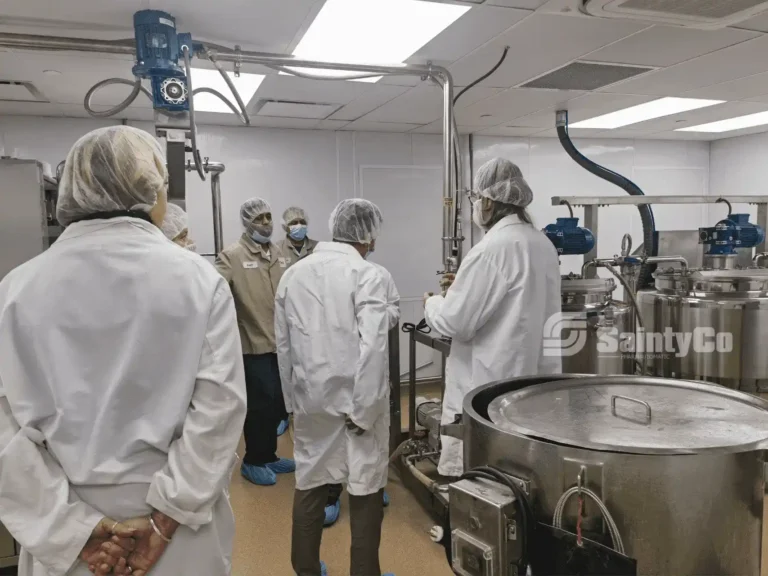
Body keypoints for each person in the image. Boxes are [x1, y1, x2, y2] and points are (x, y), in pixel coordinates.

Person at [0, 125, 247, 576]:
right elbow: (220, 409)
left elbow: (4, 432)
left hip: (67, 531)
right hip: (177, 530)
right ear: (150, 189)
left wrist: (73, 530)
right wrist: (164, 518)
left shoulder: (16, 290)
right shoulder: (197, 280)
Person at [275, 199, 395, 576]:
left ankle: (306, 568)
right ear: (370, 235)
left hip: (311, 400)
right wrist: (366, 409)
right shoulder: (369, 275)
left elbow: (284, 347)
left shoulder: (294, 274)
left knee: (311, 480)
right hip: (357, 403)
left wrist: (292, 405)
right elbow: (373, 347)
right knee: (365, 487)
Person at [424, 157, 562, 478]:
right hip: (533, 383)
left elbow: (454, 322)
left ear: (488, 200)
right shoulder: (541, 243)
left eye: (475, 199)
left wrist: (432, 303)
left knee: (484, 473)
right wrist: (463, 286)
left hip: (489, 387)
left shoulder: (491, 249)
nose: (475, 207)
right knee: (521, 469)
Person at [216, 198, 295, 486]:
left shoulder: (279, 253)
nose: (266, 223)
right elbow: (214, 292)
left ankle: (270, 455)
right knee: (259, 406)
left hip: (283, 345)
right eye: (259, 218)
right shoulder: (232, 256)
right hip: (253, 345)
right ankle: (254, 459)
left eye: (268, 217)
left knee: (278, 405)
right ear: (247, 222)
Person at [323, 262, 399, 528]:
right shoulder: (323, 271)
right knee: (334, 436)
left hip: (369, 364)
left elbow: (393, 309)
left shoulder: (380, 272)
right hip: (334, 365)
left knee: (370, 437)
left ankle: (372, 491)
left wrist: (374, 318)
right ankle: (330, 495)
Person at [275, 206, 318, 437]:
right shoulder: (276, 250)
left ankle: (311, 408)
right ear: (285, 227)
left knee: (310, 363)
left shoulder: (318, 249)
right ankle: (286, 411)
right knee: (286, 365)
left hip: (314, 313)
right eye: (293, 222)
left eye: (301, 221)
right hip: (288, 312)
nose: (298, 226)